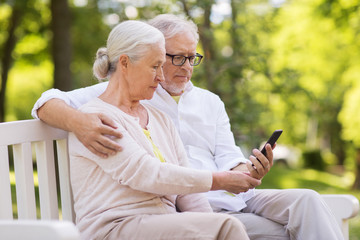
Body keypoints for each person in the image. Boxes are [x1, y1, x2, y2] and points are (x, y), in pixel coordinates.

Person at [32, 14, 344, 240]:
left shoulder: (188, 108)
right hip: (151, 217)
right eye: (173, 59)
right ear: (139, 57)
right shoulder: (102, 107)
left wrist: (246, 173)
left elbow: (223, 158)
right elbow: (146, 173)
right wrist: (76, 121)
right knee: (259, 231)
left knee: (307, 201)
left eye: (192, 59)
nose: (184, 69)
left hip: (222, 201)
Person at [68, 19, 256, 240]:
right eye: (154, 66)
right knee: (226, 227)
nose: (161, 76)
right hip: (115, 227)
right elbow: (147, 173)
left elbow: (190, 196)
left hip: (162, 223)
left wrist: (209, 222)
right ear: (125, 63)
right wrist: (220, 180)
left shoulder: (160, 119)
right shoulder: (97, 119)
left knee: (222, 225)